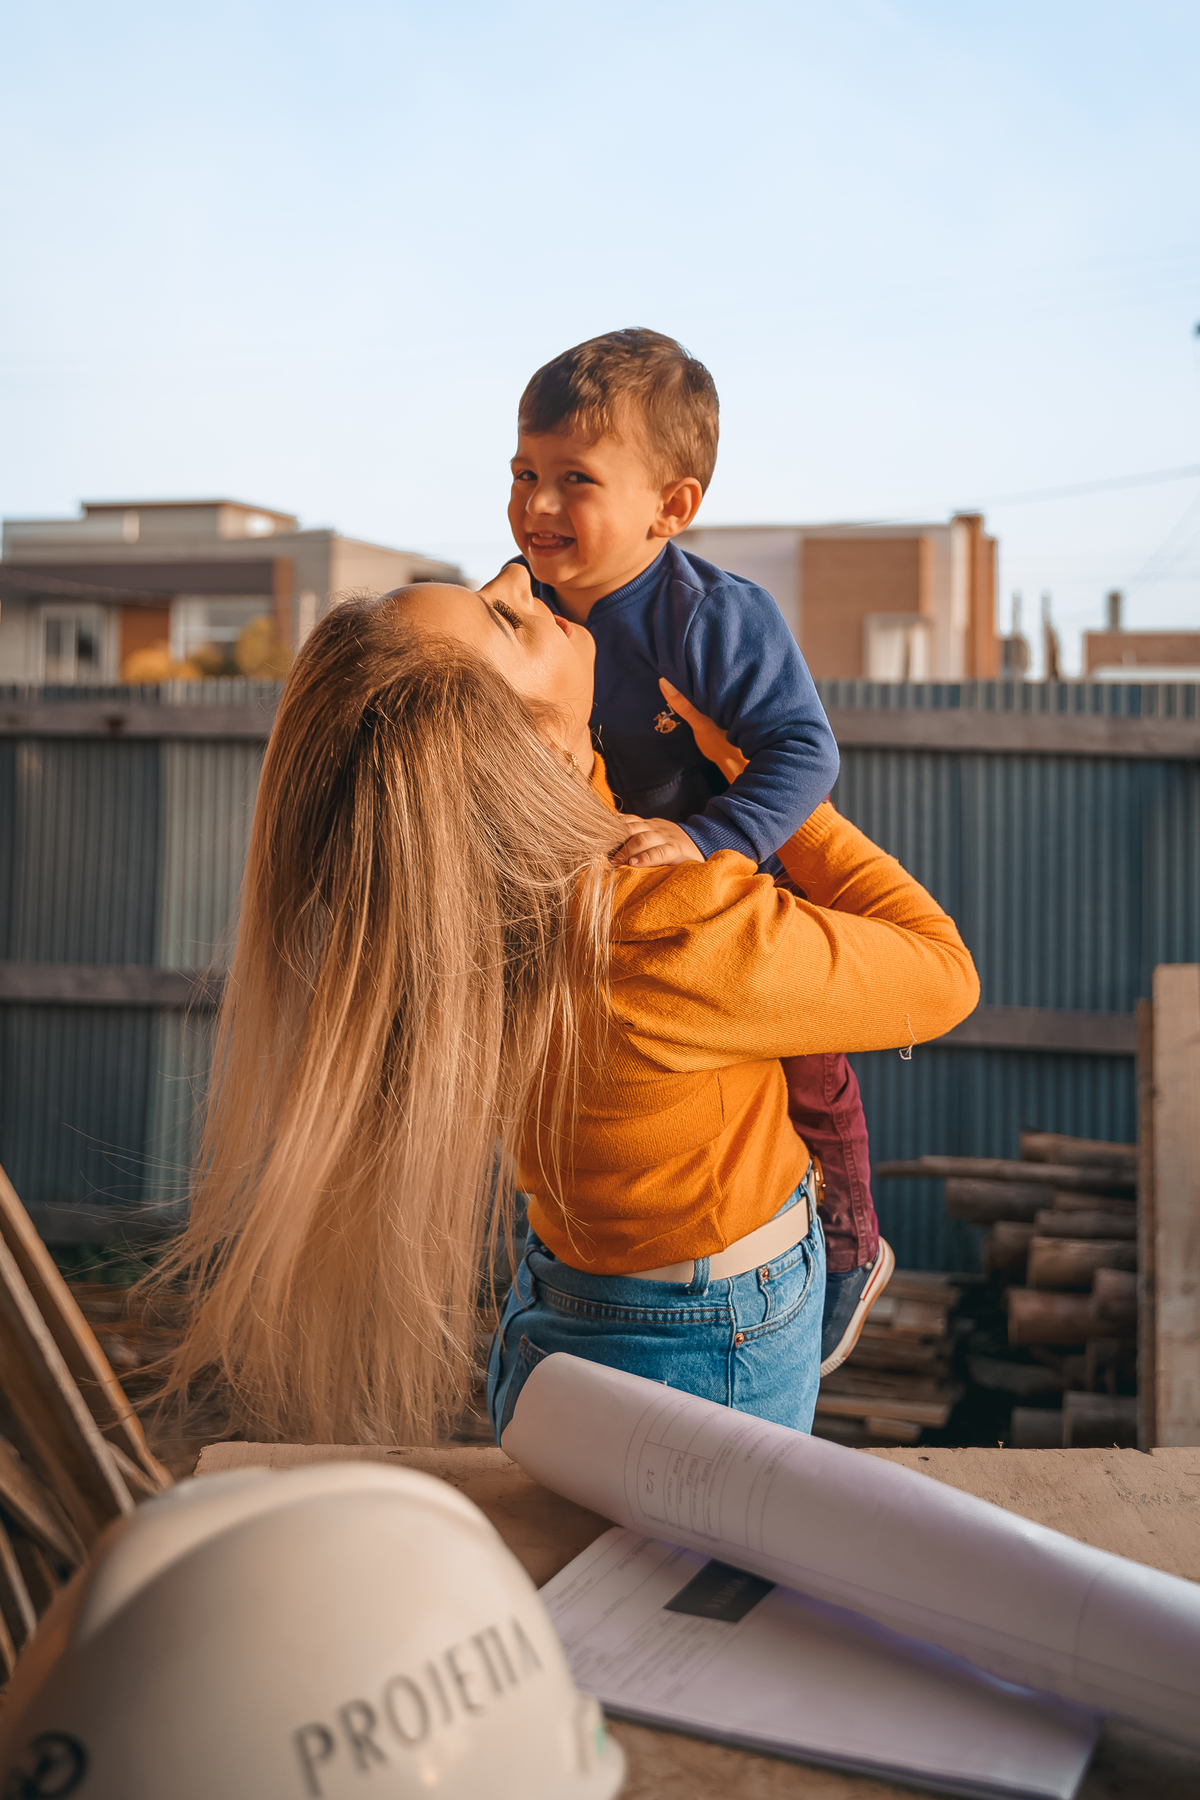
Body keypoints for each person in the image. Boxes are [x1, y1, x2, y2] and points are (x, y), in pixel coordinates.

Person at [155, 571, 978, 1450]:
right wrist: (777, 794)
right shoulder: (658, 929)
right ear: (524, 755)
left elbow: (555, 795)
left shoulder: (461, 911)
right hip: (708, 1341)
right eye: (508, 620)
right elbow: (942, 971)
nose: (517, 573)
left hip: (567, 1308)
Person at [506, 328, 890, 1374]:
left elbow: (806, 751)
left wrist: (705, 835)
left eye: (573, 480)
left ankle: (850, 1235)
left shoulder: (713, 617)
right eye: (523, 473)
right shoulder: (523, 608)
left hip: (716, 891)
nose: (536, 505)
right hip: (596, 904)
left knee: (809, 1065)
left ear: (669, 508)